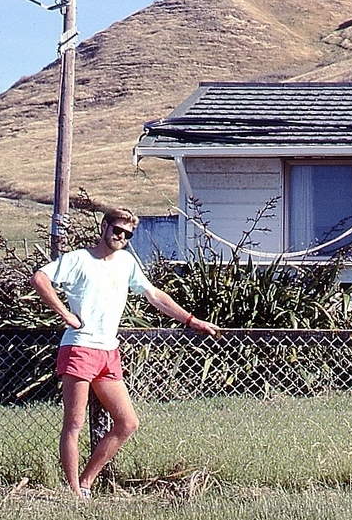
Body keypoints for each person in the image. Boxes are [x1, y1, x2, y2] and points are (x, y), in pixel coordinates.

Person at [30, 207, 219, 499]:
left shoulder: (126, 262)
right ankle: (73, 495)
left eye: (128, 234)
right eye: (117, 230)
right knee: (74, 423)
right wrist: (65, 313)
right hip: (79, 347)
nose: (121, 237)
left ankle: (86, 483)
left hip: (108, 352)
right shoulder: (79, 259)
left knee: (128, 423)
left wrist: (192, 321)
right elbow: (40, 279)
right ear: (104, 227)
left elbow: (154, 295)